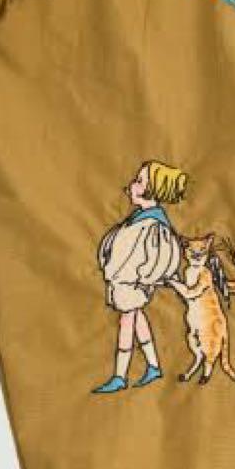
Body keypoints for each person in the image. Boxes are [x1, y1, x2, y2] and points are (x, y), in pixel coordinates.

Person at [92, 160, 187, 394]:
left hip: (132, 282)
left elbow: (158, 255)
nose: (132, 185)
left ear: (151, 189)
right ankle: (153, 365)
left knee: (127, 321)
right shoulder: (140, 218)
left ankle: (119, 376)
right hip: (127, 280)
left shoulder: (152, 223)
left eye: (139, 181)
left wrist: (140, 276)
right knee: (137, 318)